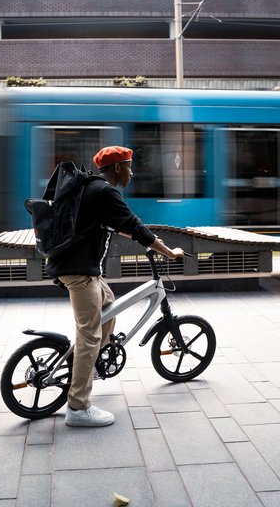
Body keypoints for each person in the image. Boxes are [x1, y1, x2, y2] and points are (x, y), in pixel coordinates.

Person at [46, 146, 184, 427]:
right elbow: (135, 225)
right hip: (79, 272)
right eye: (129, 167)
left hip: (83, 268)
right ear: (118, 168)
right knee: (89, 335)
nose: (132, 172)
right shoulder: (105, 191)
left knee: (109, 305)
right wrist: (169, 252)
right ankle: (78, 407)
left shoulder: (91, 189)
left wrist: (137, 235)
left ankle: (91, 366)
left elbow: (115, 223)